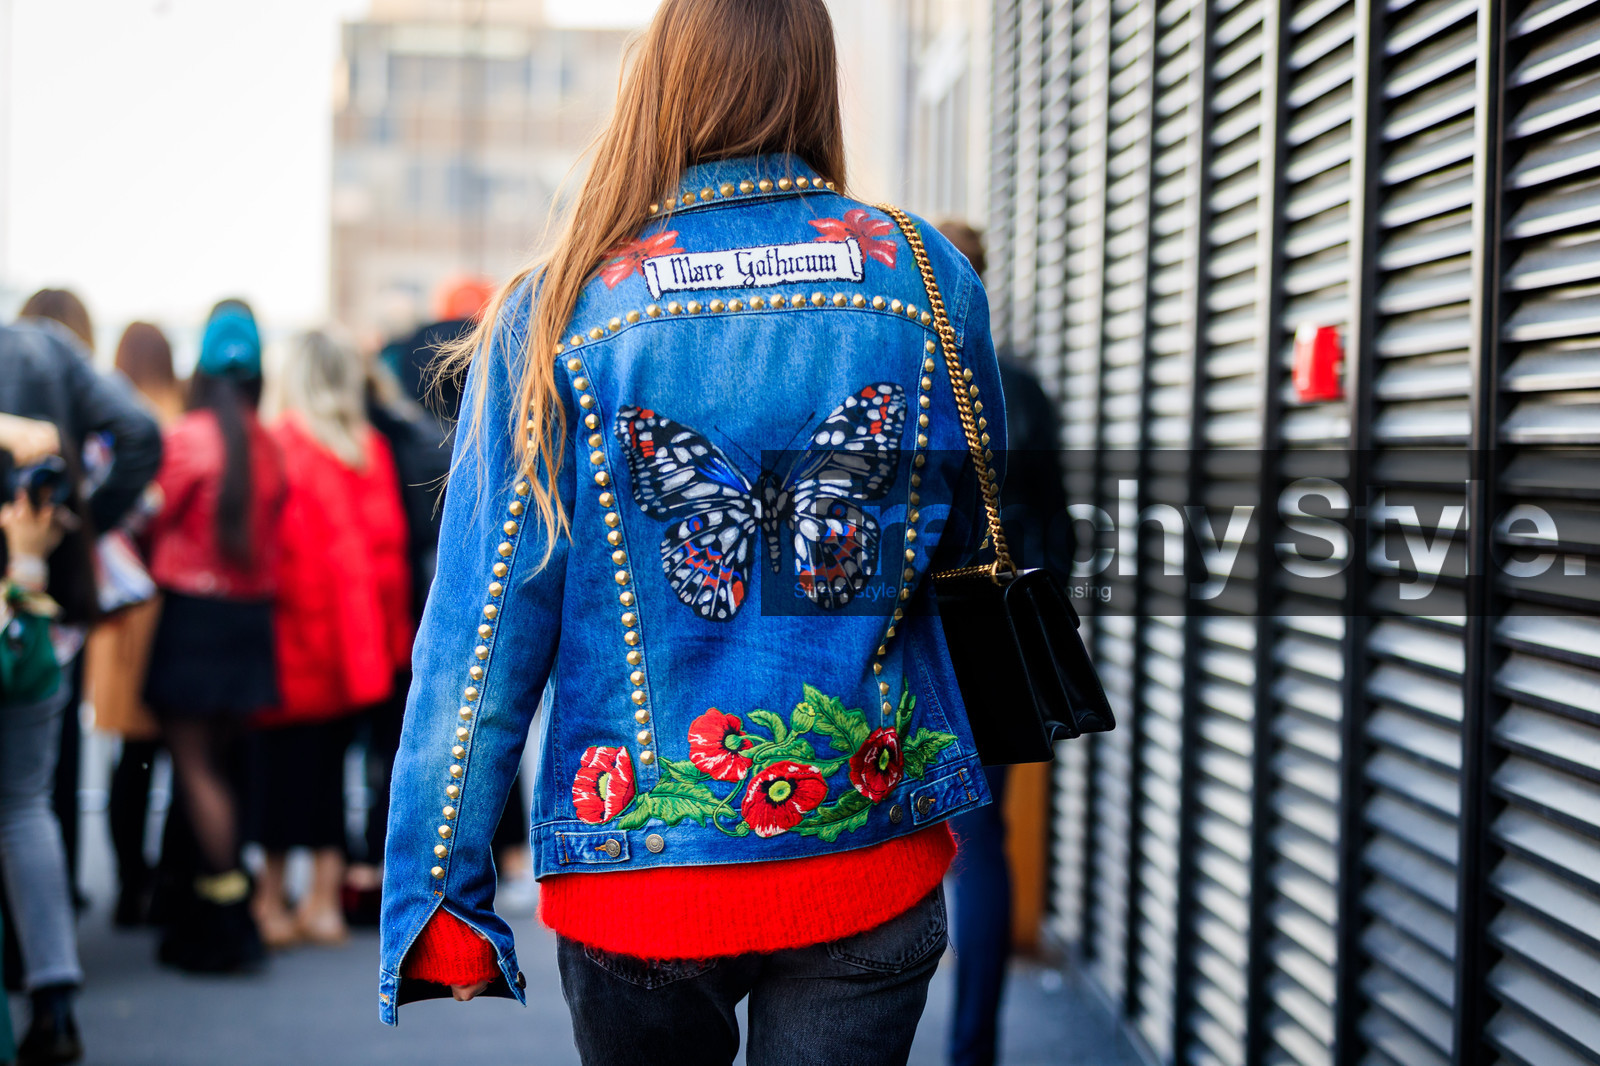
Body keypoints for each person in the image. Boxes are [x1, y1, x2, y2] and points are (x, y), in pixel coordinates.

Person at [377, 4, 1007, 1063]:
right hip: (867, 840)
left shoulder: (562, 304)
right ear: (817, 79)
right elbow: (973, 539)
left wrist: (439, 893)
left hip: (640, 875)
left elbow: (480, 632)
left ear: (663, 82)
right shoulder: (923, 276)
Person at [0, 317, 161, 1066]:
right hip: (38, 591)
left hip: (34, 593)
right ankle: (54, 996)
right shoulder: (48, 348)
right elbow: (139, 433)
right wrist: (82, 527)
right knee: (26, 804)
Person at [934, 221, 1072, 1066]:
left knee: (892, 835)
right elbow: (1059, 532)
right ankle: (972, 1050)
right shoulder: (1021, 385)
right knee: (983, 845)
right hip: (1007, 638)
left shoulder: (899, 371)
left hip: (917, 633)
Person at [248, 330, 410, 948]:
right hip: (358, 646)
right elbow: (386, 558)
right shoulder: (366, 449)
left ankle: (271, 899)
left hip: (292, 639)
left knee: (275, 776)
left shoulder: (281, 445)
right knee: (325, 775)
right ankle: (322, 902)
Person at [142, 301, 285, 973]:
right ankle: (219, 911)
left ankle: (227, 918)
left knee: (195, 770)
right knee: (220, 768)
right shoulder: (267, 441)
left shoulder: (188, 437)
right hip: (250, 619)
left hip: (193, 616)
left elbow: (152, 519)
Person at [88, 322, 182, 927]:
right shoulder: (182, 417)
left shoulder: (114, 422)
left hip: (123, 608)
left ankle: (129, 885)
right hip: (175, 602)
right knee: (186, 752)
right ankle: (171, 883)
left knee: (131, 755)